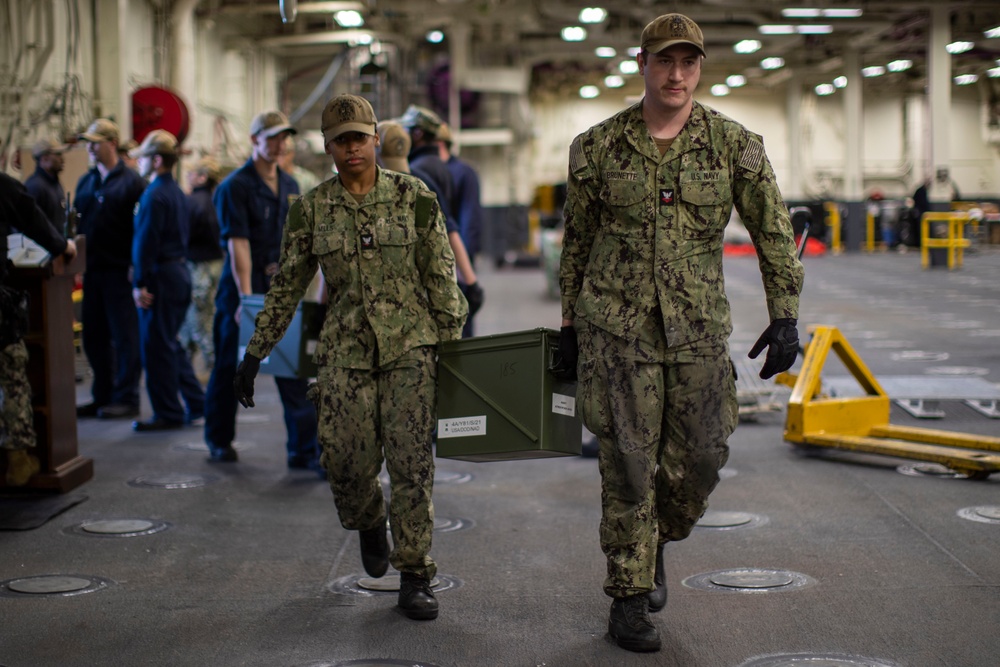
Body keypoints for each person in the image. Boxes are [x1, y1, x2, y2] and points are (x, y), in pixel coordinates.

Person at [554, 13, 804, 653]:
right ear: (642, 63)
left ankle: (659, 536)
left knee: (700, 458)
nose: (676, 74)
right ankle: (629, 596)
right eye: (665, 61)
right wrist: (570, 326)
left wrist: (785, 315)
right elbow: (577, 241)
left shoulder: (732, 144)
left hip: (696, 330)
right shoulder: (598, 147)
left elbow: (773, 231)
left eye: (688, 62)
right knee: (628, 465)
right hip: (617, 329)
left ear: (699, 67)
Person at [235, 94, 467, 620]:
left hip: (411, 348)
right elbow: (287, 287)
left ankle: (415, 575)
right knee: (345, 462)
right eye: (341, 139)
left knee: (412, 467)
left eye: (360, 137)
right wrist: (254, 353)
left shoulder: (415, 197)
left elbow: (441, 278)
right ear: (328, 146)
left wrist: (451, 350)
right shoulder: (310, 210)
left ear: (376, 139)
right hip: (344, 355)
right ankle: (368, 521)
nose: (352, 147)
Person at [203, 110, 319, 468]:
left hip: (280, 293)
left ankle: (303, 449)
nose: (279, 144)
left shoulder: (289, 186)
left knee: (292, 370)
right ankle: (219, 440)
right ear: (254, 140)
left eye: (283, 138)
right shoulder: (234, 187)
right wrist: (245, 298)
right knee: (229, 368)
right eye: (271, 138)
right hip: (242, 294)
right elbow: (238, 245)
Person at [0, 173, 77, 485]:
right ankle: (18, 460)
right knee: (13, 373)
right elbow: (33, 221)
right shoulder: (4, 186)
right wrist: (63, 246)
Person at [129, 130, 206, 431]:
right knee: (168, 343)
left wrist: (140, 282)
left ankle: (168, 413)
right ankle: (196, 402)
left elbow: (146, 242)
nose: (139, 164)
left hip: (160, 276)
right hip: (178, 273)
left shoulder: (153, 195)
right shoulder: (175, 192)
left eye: (143, 158)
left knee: (156, 348)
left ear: (157, 159)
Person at [74, 118, 147, 420]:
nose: (89, 148)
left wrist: (136, 266)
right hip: (92, 271)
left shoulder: (132, 182)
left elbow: (142, 228)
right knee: (94, 336)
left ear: (112, 144)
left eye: (95, 142)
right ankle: (101, 395)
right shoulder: (86, 181)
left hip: (120, 272)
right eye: (88, 142)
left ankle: (127, 397)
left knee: (125, 336)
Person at [398, 105, 484, 327]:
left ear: (417, 134)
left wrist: (466, 273)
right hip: (453, 262)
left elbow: (454, 225)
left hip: (437, 265)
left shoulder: (417, 172)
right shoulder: (441, 167)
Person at [437, 123, 484, 337]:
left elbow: (470, 221)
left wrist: (464, 270)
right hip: (442, 261)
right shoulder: (452, 171)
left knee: (462, 321)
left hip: (457, 260)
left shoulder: (462, 173)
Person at [179, 156, 225, 372]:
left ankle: (215, 362)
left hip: (198, 267)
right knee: (205, 315)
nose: (188, 177)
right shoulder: (218, 200)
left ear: (202, 177)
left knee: (199, 320)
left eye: (192, 173)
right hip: (217, 265)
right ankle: (184, 362)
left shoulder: (192, 203)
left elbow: (183, 237)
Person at [24, 137, 68, 229]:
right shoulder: (35, 187)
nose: (62, 159)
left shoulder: (55, 184)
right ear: (44, 159)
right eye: (58, 154)